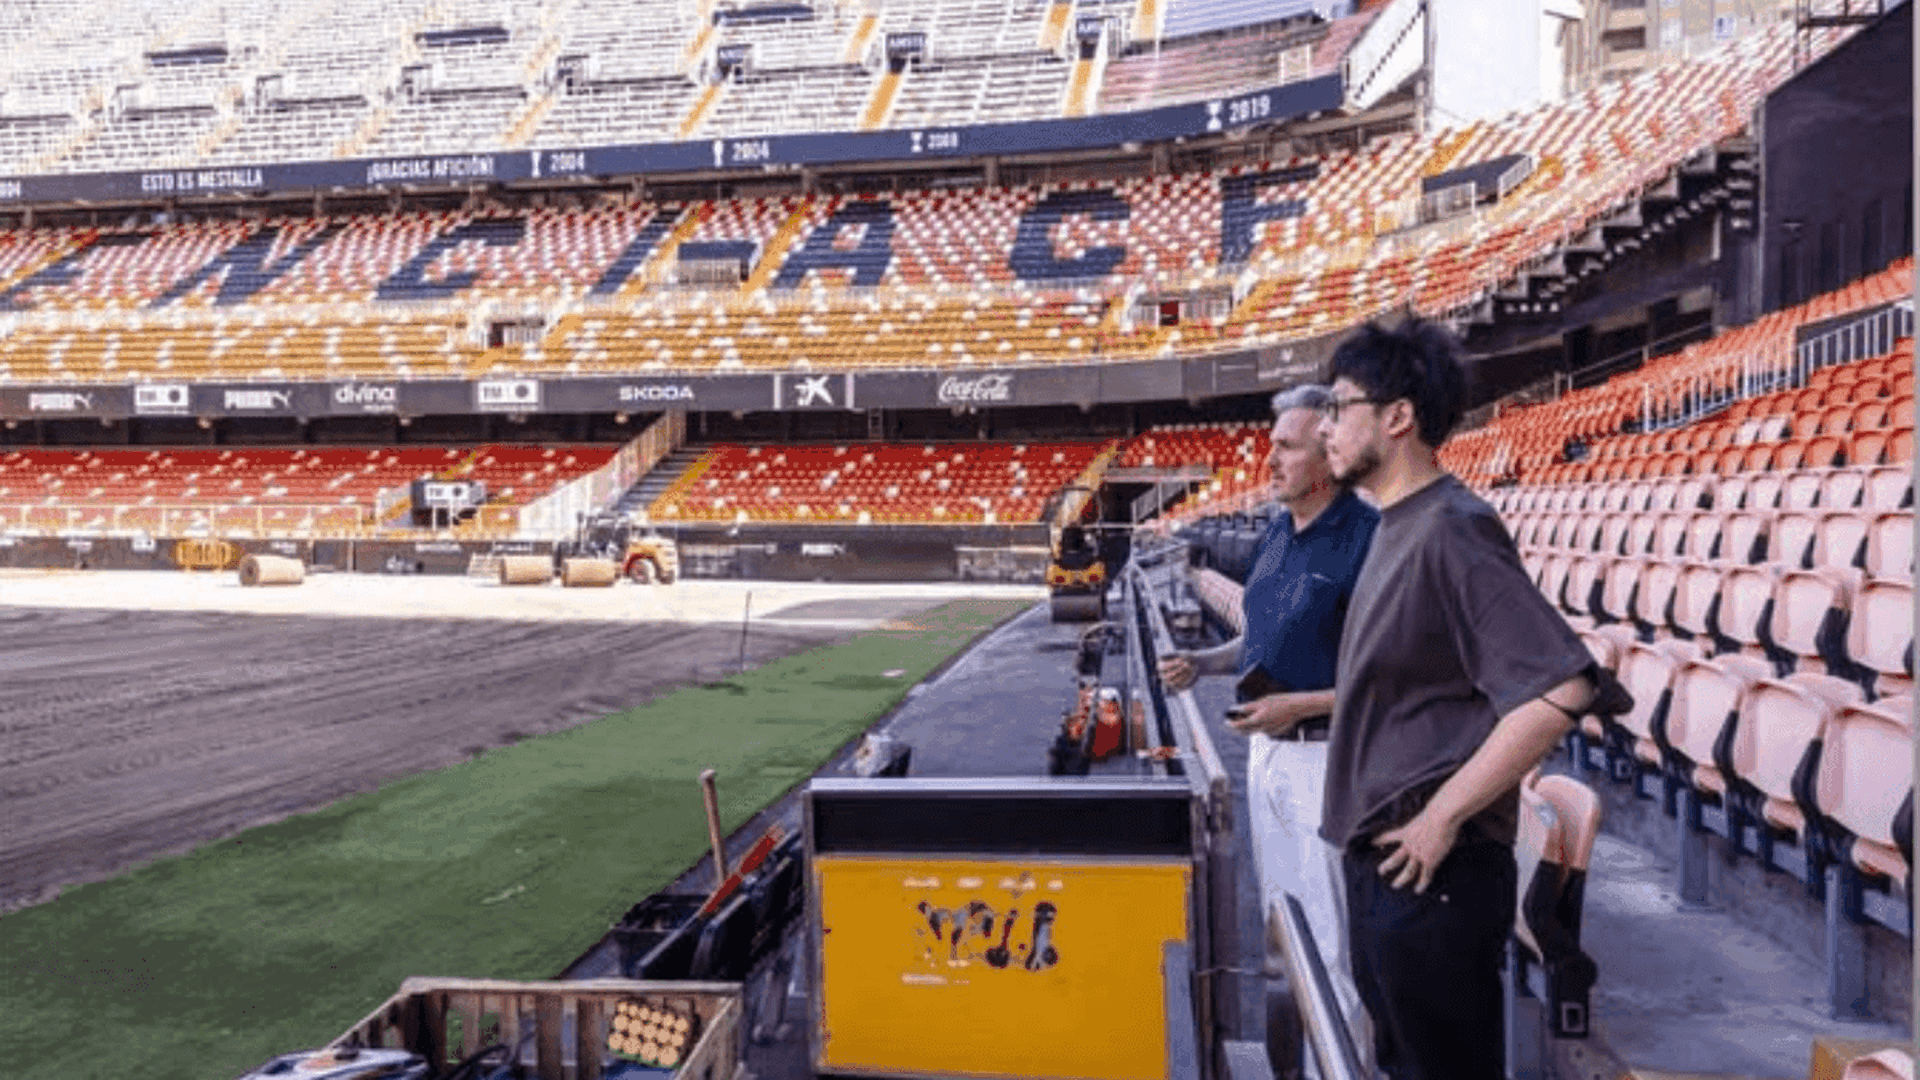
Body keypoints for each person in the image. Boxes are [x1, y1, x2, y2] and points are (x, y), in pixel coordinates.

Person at [1315, 319, 1609, 1080]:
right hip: (1390, 869)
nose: (1324, 428)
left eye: (1339, 406)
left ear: (1397, 416)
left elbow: (1561, 688)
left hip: (1431, 878)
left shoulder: (1452, 525)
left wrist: (1442, 817)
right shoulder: (1399, 524)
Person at [1158, 383, 1378, 1075]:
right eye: (1271, 443)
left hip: (1329, 762)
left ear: (1328, 455)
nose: (1269, 458)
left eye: (1287, 446)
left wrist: (1303, 706)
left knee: (1334, 945)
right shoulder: (1280, 529)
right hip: (1269, 753)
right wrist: (1205, 661)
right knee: (1282, 927)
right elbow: (1261, 638)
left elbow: (1395, 682)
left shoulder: (1367, 540)